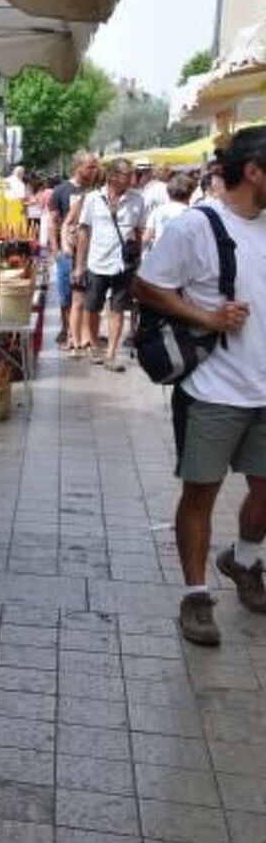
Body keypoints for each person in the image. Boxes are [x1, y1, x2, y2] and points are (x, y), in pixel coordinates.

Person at [133, 126, 266, 646]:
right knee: (201, 494)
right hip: (214, 388)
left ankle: (244, 560)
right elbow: (146, 285)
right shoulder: (197, 225)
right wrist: (205, 317)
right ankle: (195, 595)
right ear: (253, 171)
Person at [73, 158, 146, 372]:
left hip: (124, 264)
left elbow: (139, 231)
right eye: (127, 175)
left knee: (118, 309)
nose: (132, 179)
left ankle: (111, 354)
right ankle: (95, 346)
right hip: (97, 261)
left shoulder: (137, 199)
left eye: (132, 174)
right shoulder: (93, 199)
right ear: (113, 176)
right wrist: (80, 265)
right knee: (92, 308)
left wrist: (139, 261)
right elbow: (84, 230)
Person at [50, 152, 101, 348]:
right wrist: (56, 249)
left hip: (91, 251)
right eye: (90, 167)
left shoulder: (96, 191)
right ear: (78, 167)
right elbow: (54, 222)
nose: (94, 170)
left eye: (95, 166)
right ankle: (68, 331)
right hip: (68, 252)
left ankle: (84, 334)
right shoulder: (62, 190)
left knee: (88, 295)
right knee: (67, 295)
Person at [144, 174, 193, 248]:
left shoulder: (158, 210)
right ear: (190, 194)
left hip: (160, 251)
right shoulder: (191, 213)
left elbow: (147, 235)